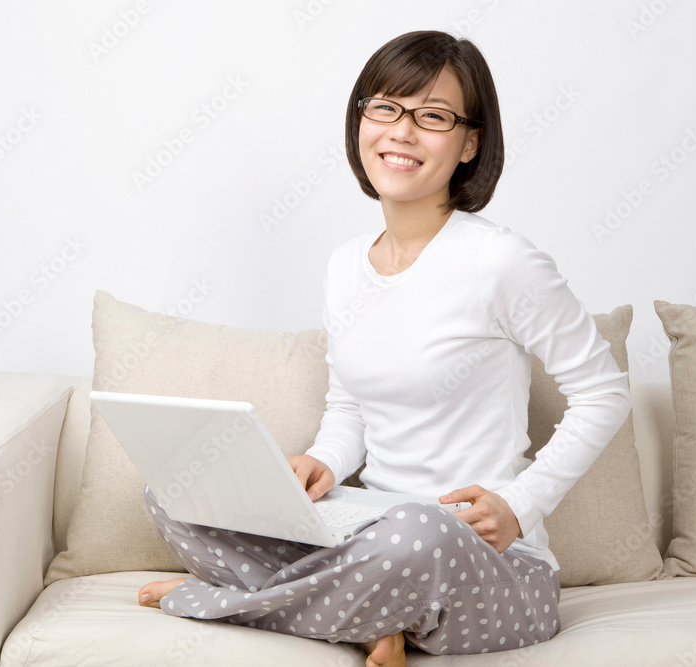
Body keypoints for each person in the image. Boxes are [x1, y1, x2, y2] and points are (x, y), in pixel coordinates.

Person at [138, 30, 632, 666]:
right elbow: (350, 406)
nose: (402, 131)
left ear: (469, 143)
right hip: (365, 529)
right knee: (178, 483)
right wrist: (323, 461)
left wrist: (519, 504)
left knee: (423, 528)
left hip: (484, 561)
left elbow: (603, 392)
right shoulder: (346, 266)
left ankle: (225, 601)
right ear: (361, 122)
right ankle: (371, 616)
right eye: (386, 108)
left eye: (432, 117)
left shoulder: (501, 262)